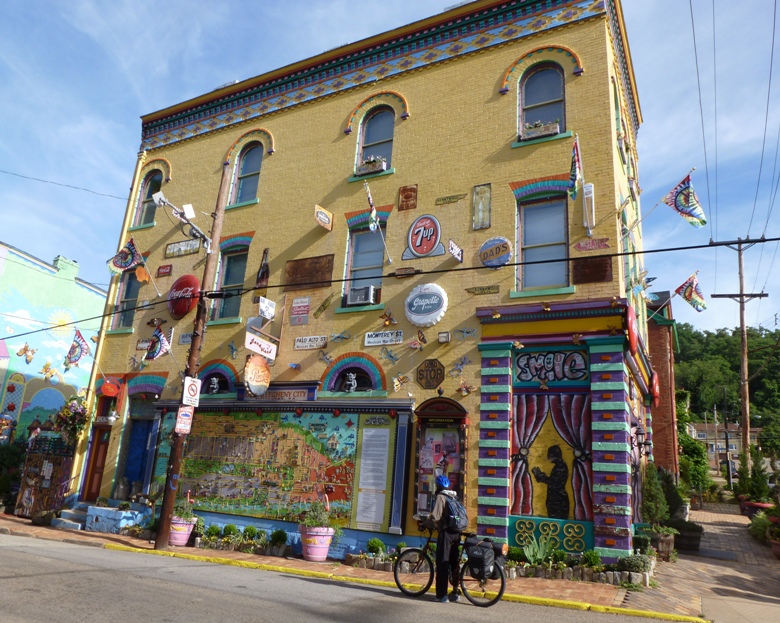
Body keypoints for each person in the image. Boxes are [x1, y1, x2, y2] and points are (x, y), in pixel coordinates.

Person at [425, 474, 462, 603]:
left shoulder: (441, 497)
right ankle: (456, 592)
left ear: (437, 486)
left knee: (442, 562)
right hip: (457, 533)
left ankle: (442, 595)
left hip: (446, 534)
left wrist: (427, 524)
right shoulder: (454, 496)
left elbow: (435, 517)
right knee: (454, 562)